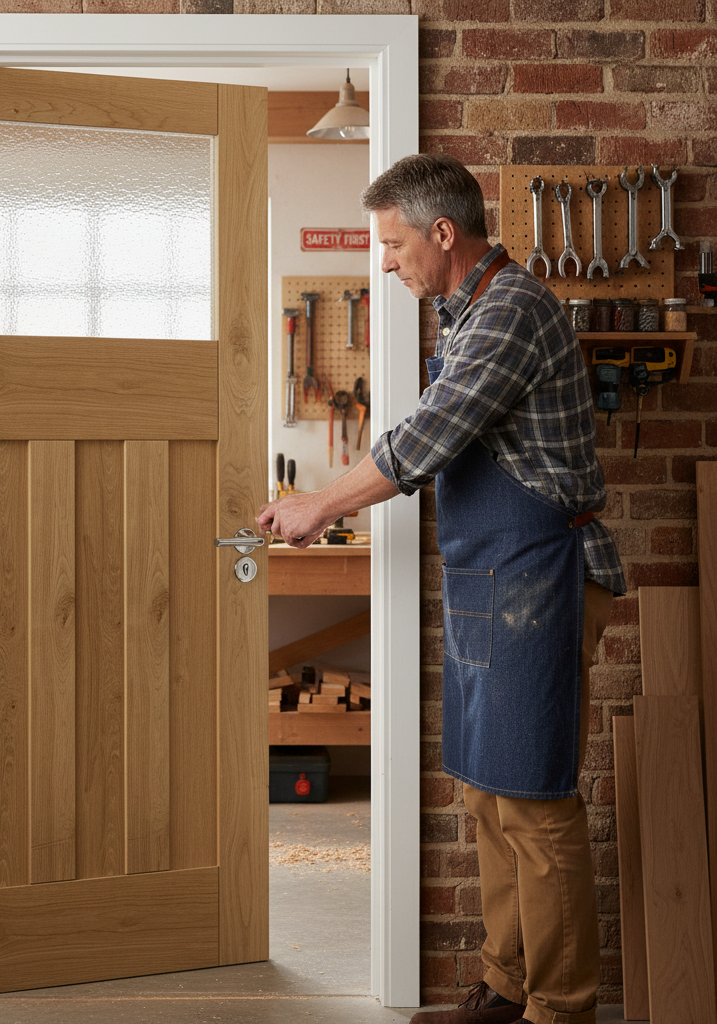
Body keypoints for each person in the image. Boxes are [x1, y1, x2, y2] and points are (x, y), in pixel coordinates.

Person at [256, 154, 625, 1024]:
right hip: (492, 580)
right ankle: (506, 987)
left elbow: (426, 438)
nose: (386, 262)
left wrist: (318, 504)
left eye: (393, 245)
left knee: (534, 802)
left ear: (443, 233)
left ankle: (561, 1009)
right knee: (490, 797)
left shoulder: (510, 311)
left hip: (540, 576)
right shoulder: (465, 316)